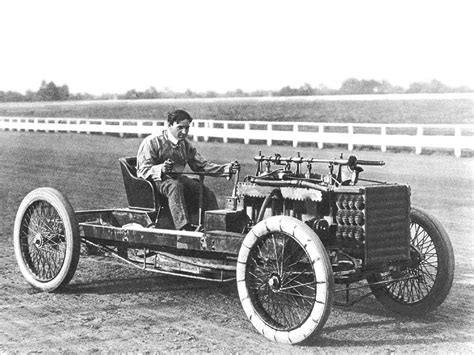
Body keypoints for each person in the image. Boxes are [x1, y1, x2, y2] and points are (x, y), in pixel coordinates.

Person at [136, 109, 237, 231]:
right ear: (169, 125)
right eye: (180, 127)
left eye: (187, 128)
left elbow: (201, 165)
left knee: (202, 189)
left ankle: (213, 225)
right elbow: (142, 170)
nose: (184, 132)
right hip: (155, 181)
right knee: (175, 186)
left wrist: (226, 169)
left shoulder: (185, 144)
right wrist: (161, 168)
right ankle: (183, 228)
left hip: (175, 179)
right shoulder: (152, 141)